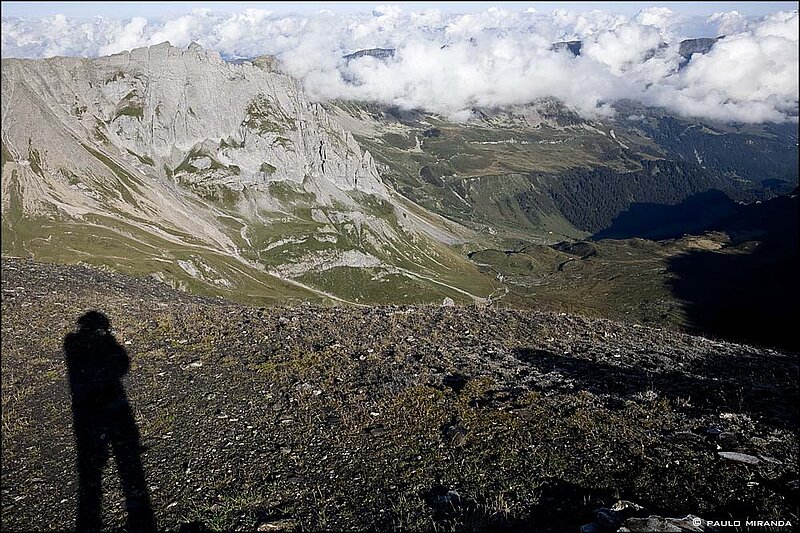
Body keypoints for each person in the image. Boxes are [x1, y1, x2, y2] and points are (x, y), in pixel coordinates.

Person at [64, 311, 156, 532]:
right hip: (106, 402)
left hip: (84, 407)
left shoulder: (72, 341)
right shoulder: (99, 342)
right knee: (123, 462)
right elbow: (123, 365)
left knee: (91, 468)